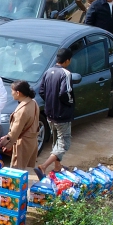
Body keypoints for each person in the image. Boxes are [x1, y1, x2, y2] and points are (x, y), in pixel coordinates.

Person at [37, 49, 75, 178]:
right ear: (67, 60)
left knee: (56, 141)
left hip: (49, 114)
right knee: (64, 142)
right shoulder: (66, 73)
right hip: (62, 114)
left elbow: (42, 91)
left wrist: (50, 102)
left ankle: (57, 166)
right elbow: (65, 93)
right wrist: (70, 103)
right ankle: (44, 166)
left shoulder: (48, 72)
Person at [5, 81, 40, 173]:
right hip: (31, 141)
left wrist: (6, 144)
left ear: (18, 93)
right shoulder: (33, 102)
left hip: (22, 143)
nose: (11, 93)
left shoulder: (23, 110)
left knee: (16, 171)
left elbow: (15, 131)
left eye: (12, 91)